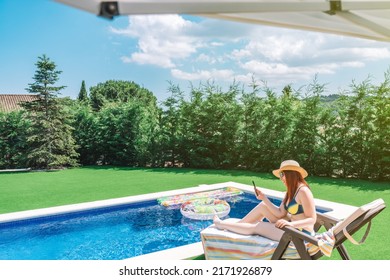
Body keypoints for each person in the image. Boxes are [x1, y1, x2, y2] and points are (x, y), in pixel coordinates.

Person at [213, 160, 316, 241]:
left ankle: (221, 225)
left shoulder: (303, 191)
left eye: (282, 174)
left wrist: (291, 224)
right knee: (262, 206)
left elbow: (312, 219)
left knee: (258, 226)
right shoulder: (290, 191)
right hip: (290, 226)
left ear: (290, 174)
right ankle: (238, 226)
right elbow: (280, 213)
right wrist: (264, 198)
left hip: (300, 234)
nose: (281, 178)